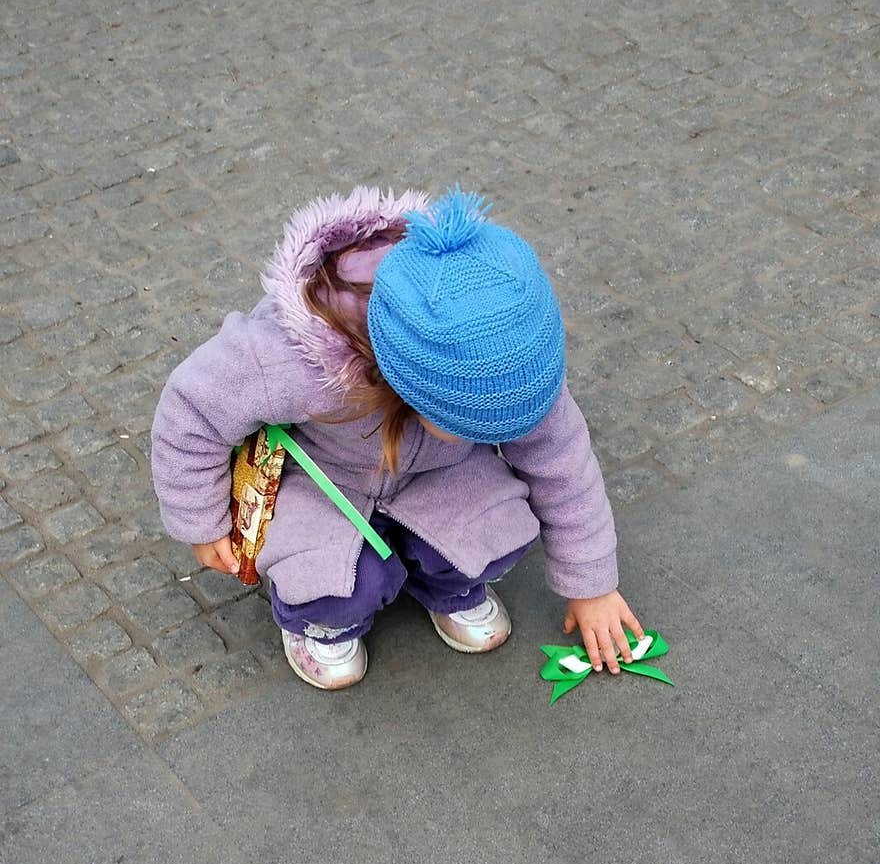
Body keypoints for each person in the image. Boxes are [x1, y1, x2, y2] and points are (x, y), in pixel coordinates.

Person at [151, 184, 643, 690]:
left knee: (496, 534)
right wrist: (201, 521)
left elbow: (561, 460)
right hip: (324, 478)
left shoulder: (511, 360)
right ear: (408, 385)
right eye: (470, 426)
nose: (504, 438)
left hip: (435, 471)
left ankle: (445, 583)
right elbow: (192, 411)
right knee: (339, 586)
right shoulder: (288, 358)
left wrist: (592, 586)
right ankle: (316, 622)